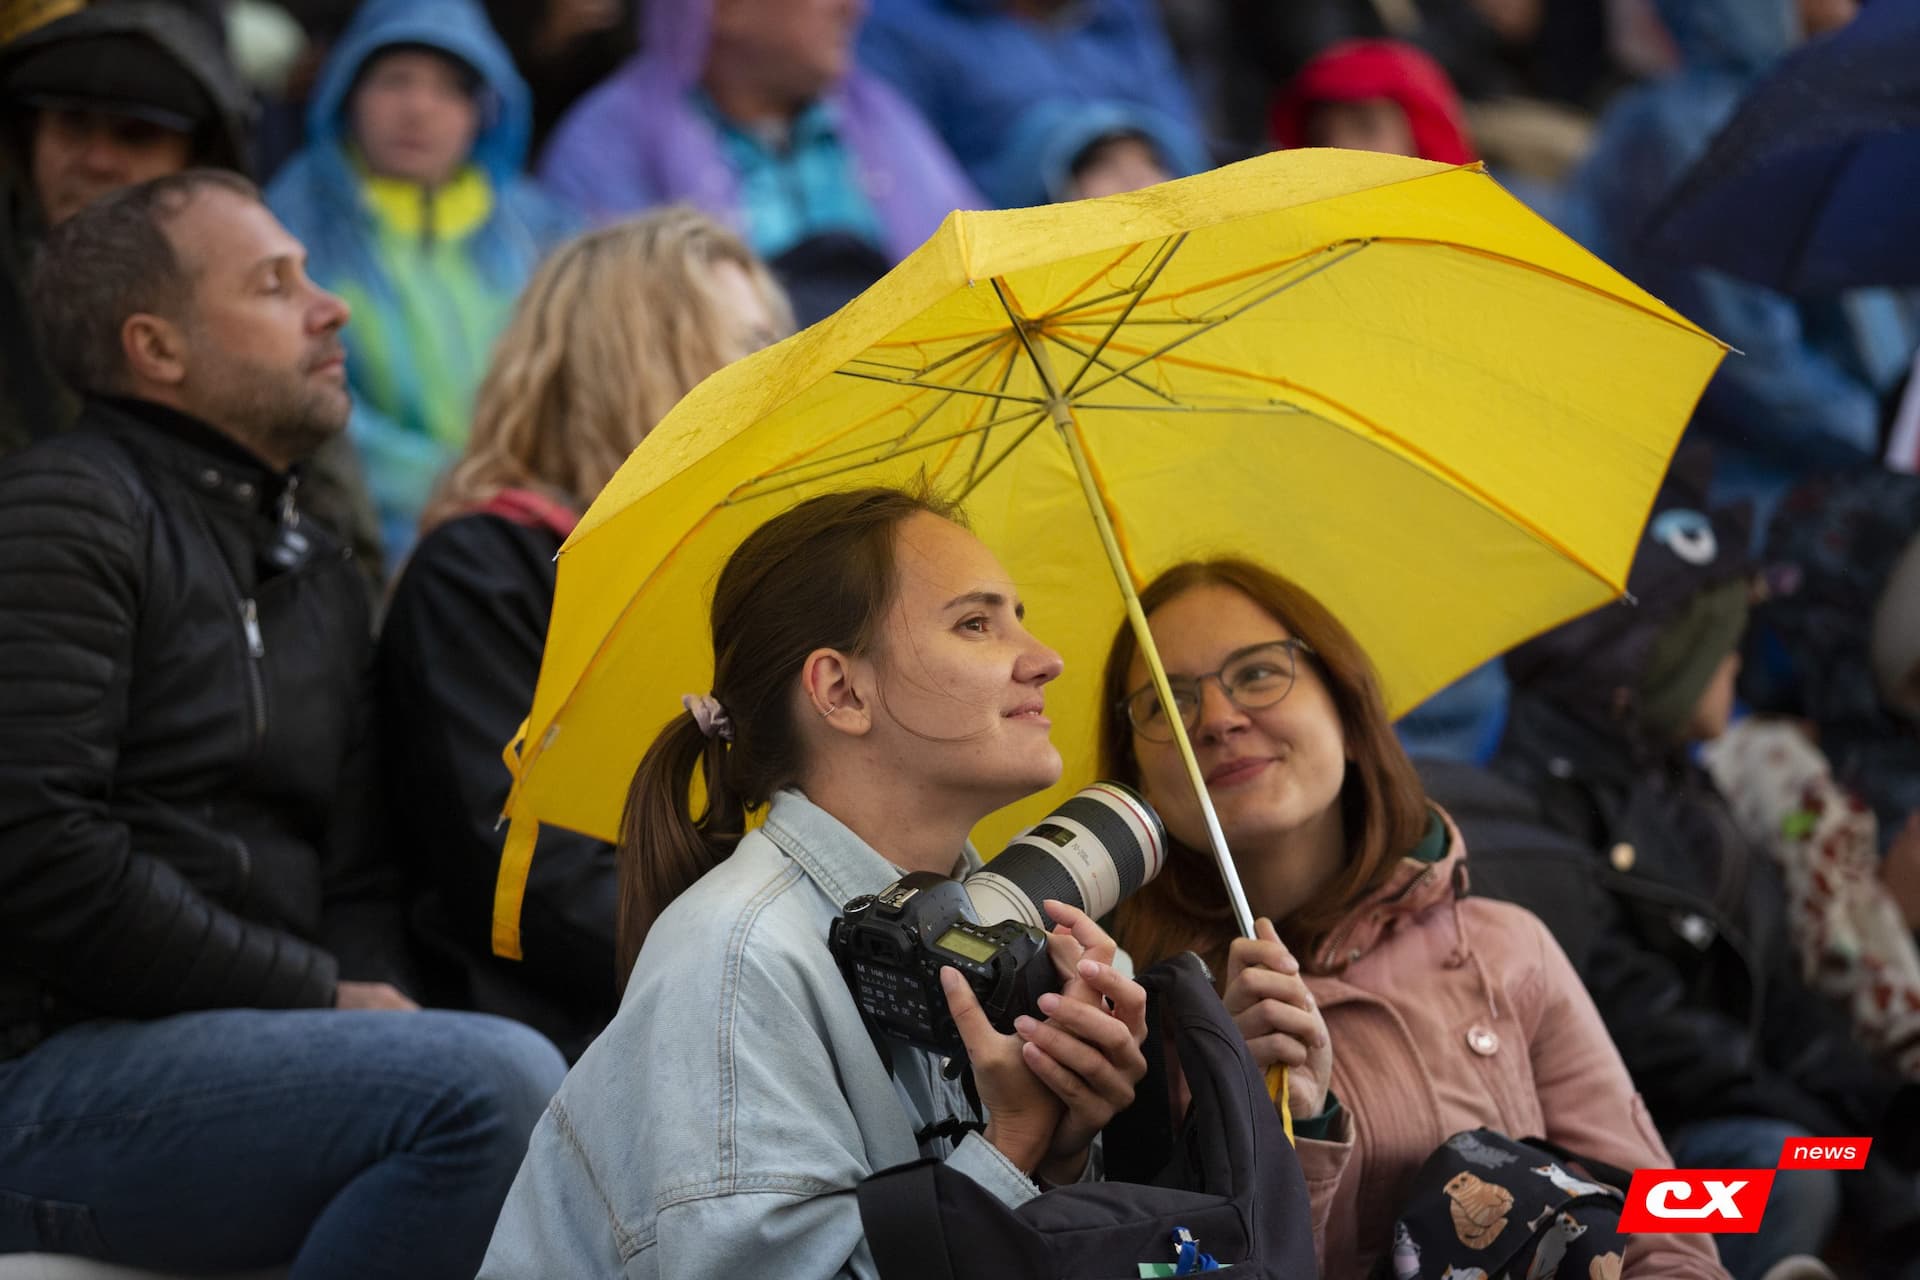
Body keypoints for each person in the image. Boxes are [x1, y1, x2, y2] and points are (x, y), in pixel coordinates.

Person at [0, 170, 565, 1277]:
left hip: (248, 1047)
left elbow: (353, 873)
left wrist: (371, 1000)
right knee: (493, 1086)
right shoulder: (64, 513)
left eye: (314, 272)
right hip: (51, 1068)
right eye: (275, 284)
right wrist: (318, 996)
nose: (332, 304)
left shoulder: (317, 564)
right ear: (157, 349)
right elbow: (36, 850)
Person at [480, 488, 1151, 1276]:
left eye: (1017, 616)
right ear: (841, 692)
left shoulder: (983, 928)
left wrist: (1064, 1143)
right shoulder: (736, 958)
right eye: (977, 623)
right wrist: (1010, 1147)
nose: (1045, 658)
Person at [1098, 556, 1727, 1278]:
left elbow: (1667, 1221)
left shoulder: (1506, 945)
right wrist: (1280, 1125)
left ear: (1351, 712)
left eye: (1258, 673)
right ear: (1135, 779)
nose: (1215, 719)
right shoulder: (1135, 1027)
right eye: (1165, 704)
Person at [379, 208, 792, 1060]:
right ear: (633, 361)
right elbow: (530, 879)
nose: (779, 378)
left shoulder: (743, 577)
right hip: (592, 1042)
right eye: (747, 347)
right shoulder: (483, 570)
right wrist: (788, 969)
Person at [1493, 466, 1920, 1279]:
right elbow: (1647, 1032)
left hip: (1754, 1115)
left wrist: (1875, 1106)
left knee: (1848, 1159)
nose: (1737, 667)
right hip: (1617, 1187)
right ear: (1656, 665)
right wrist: (1827, 1124)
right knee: (1792, 1173)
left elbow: (1778, 989)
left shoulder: (1681, 787)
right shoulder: (1549, 811)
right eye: (1718, 647)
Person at [1560, 0, 1911, 537]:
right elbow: (1747, 360)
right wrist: (1884, 444)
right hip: (1735, 504)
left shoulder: (1812, 106)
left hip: (1816, 485)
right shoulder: (1680, 129)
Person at [268, 0, 578, 566]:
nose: (418, 108)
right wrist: (448, 485)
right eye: (394, 80)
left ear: (483, 110)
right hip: (364, 540)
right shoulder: (288, 225)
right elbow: (292, 390)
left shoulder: (540, 227)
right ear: (346, 93)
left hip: (548, 524)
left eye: (448, 89)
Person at [538, 0, 978, 322]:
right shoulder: (609, 144)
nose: (856, 9)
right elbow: (614, 353)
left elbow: (981, 277)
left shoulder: (879, 117)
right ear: (723, 9)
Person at [0, 1, 250, 458]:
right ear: (27, 136)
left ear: (197, 160)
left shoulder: (259, 304)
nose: (98, 160)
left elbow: (326, 507)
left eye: (136, 134)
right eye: (73, 124)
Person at [857, 0, 1209, 209]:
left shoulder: (1121, 12)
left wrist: (1135, 162)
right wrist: (1064, 173)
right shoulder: (896, 26)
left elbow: (1187, 144)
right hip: (1013, 286)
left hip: (1163, 244)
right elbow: (908, 195)